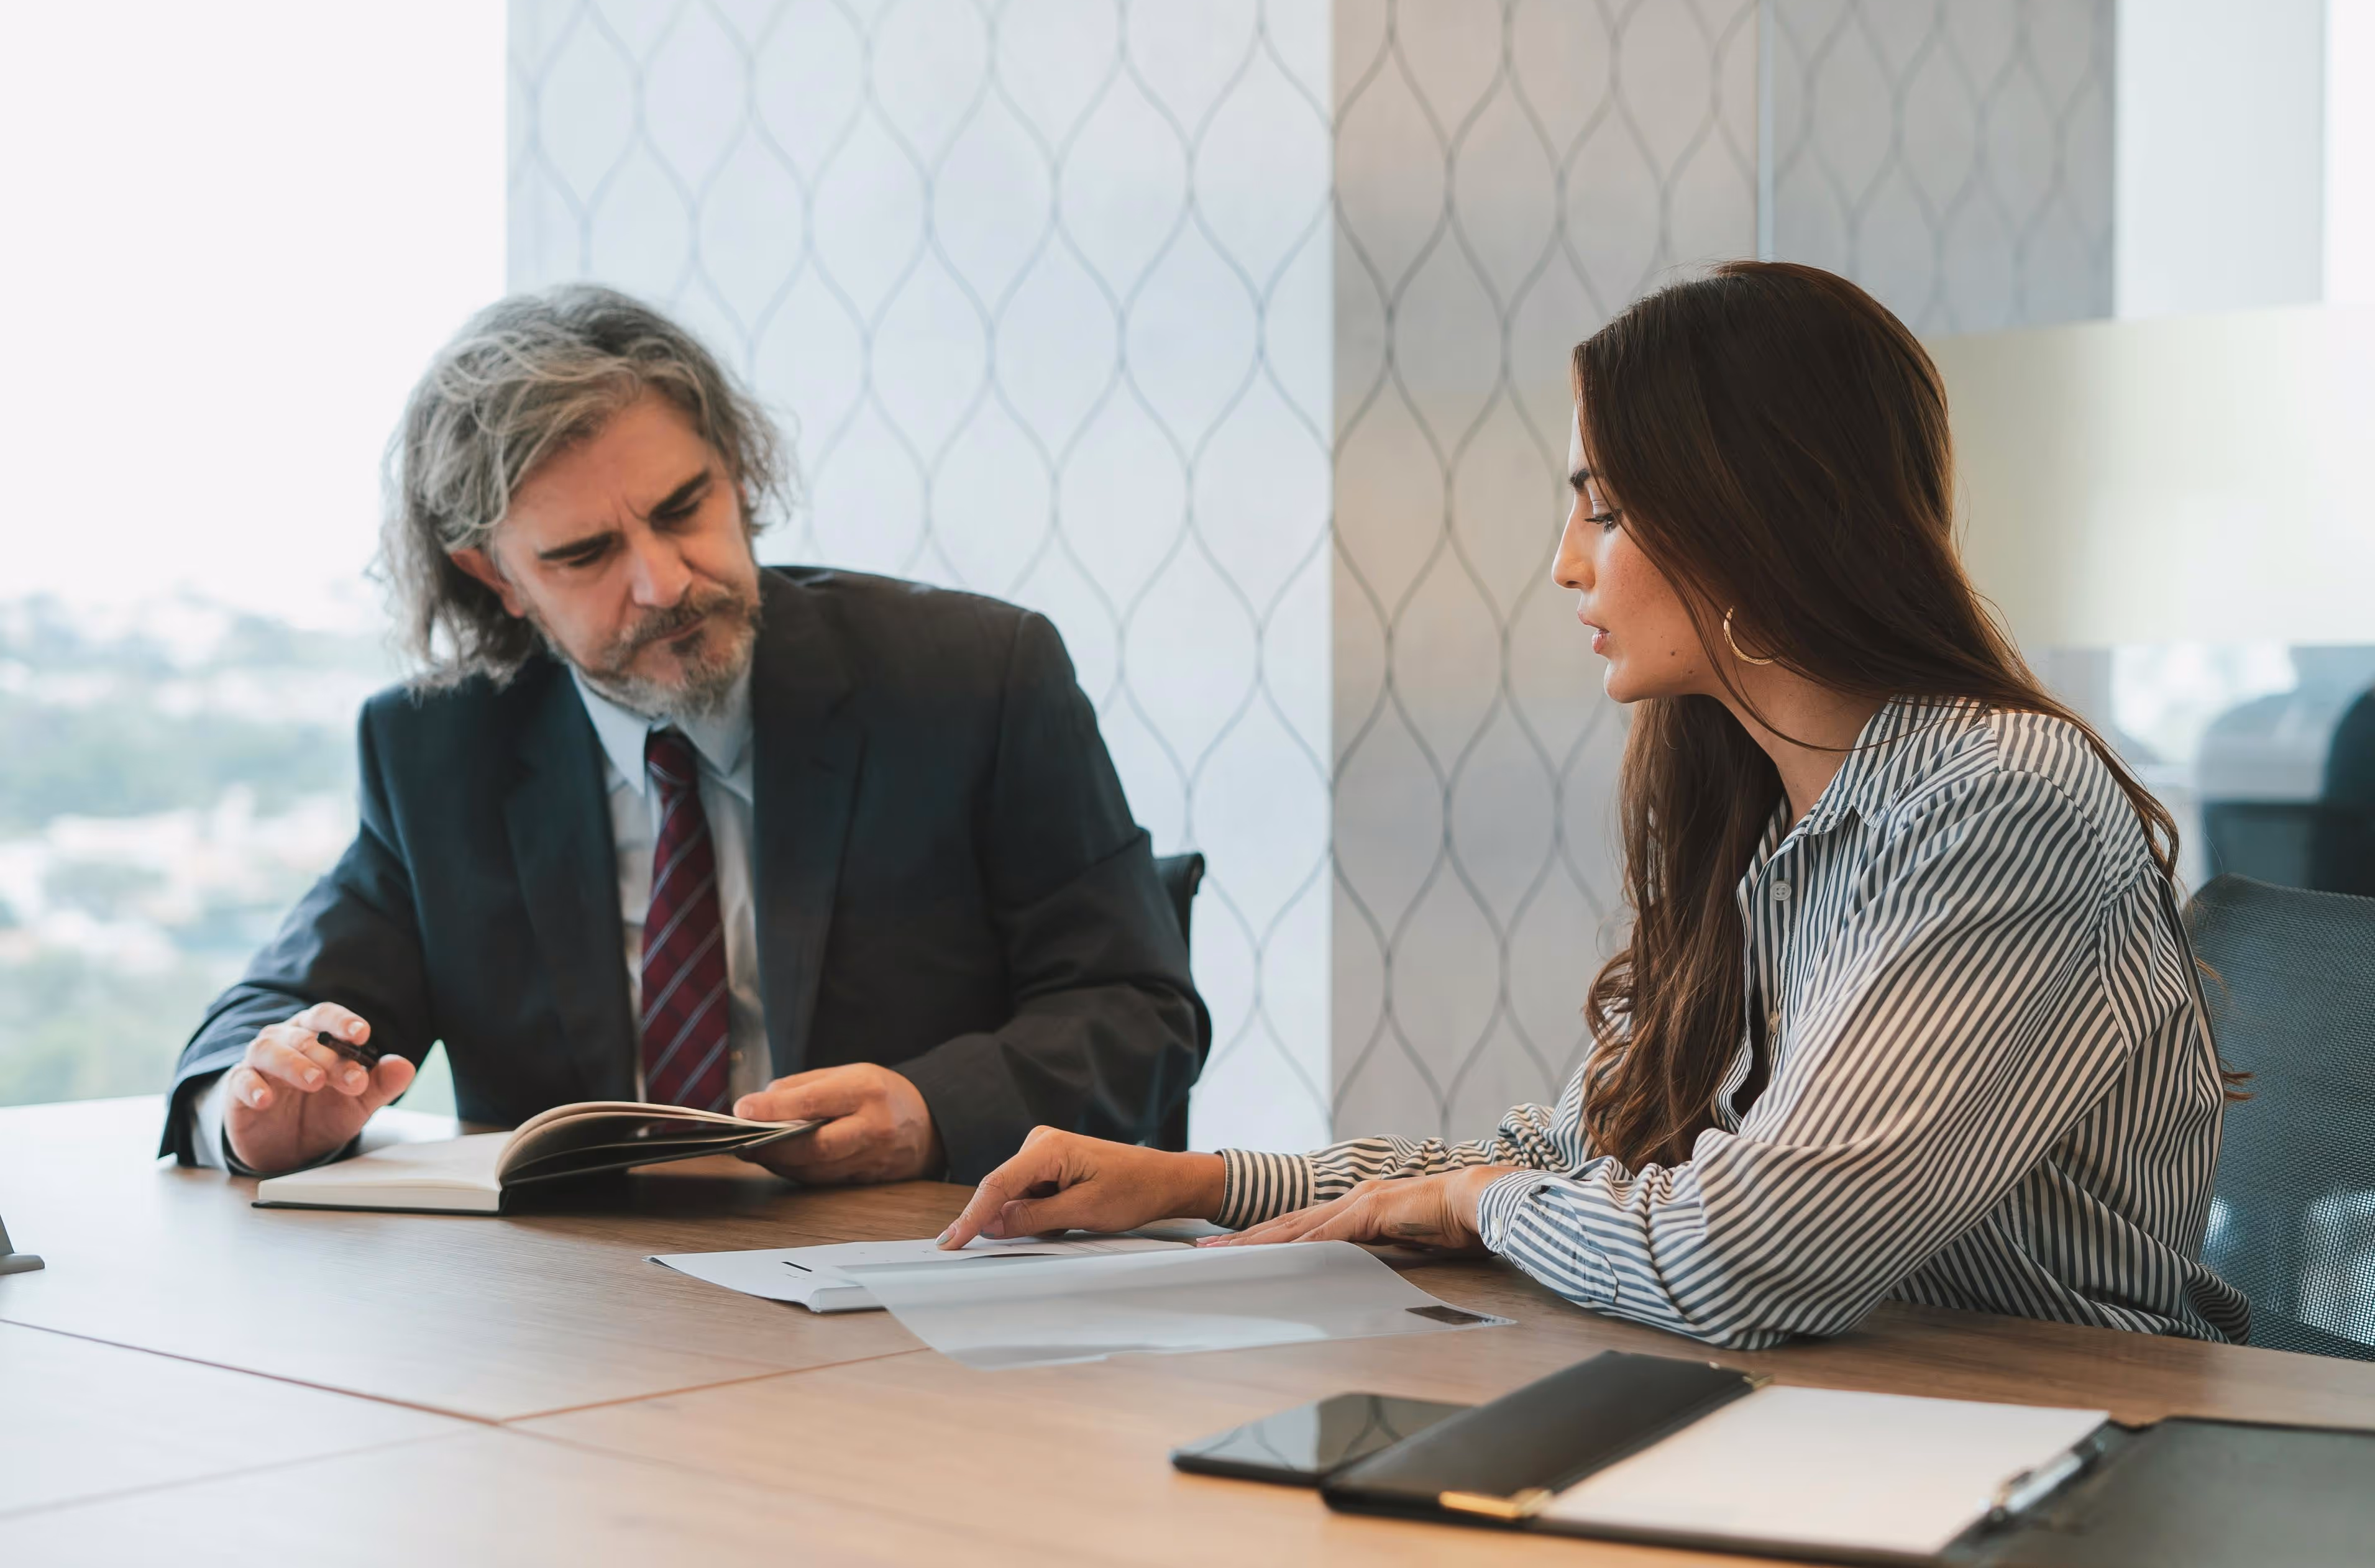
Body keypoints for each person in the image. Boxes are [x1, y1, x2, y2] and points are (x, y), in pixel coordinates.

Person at [940, 261, 2251, 1351]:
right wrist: (1202, 1184)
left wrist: (1484, 1200)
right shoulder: (1761, 812)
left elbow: (1756, 1253)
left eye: (1607, 508)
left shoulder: (2000, 806)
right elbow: (1569, 1160)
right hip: (1827, 1423)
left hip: (2059, 1456)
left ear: (1759, 519)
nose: (1567, 563)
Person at [163, 285, 1206, 1183]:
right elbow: (284, 1011)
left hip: (918, 1283)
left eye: (683, 507)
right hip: (586, 1321)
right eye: (584, 554)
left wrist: (933, 1111)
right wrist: (250, 1109)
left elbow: (1138, 1011)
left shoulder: (973, 678)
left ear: (737, 476)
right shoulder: (443, 753)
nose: (663, 581)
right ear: (498, 577)